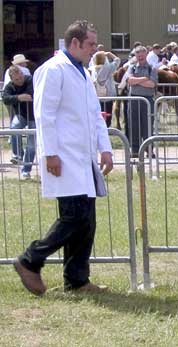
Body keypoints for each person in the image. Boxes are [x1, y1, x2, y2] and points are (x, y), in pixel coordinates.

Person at [12, 20, 114, 296]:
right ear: (75, 43)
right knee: (73, 218)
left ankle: (77, 279)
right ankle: (29, 260)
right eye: (91, 44)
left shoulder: (82, 72)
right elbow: (44, 114)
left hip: (84, 157)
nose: (95, 48)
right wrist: (50, 154)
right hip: (64, 156)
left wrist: (105, 148)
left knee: (87, 221)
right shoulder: (53, 70)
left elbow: (95, 114)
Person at [122, 45, 158, 157]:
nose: (140, 57)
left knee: (147, 125)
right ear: (135, 56)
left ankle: (149, 149)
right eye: (138, 55)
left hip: (147, 100)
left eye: (142, 55)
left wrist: (137, 81)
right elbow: (130, 81)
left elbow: (152, 84)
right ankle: (135, 150)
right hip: (133, 99)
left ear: (146, 55)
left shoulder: (151, 68)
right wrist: (144, 79)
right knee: (134, 125)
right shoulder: (131, 67)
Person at [2, 65, 36, 179]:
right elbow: (5, 98)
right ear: (12, 79)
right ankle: (18, 155)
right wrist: (18, 98)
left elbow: (31, 93)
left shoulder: (30, 80)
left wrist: (21, 97)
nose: (20, 80)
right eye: (17, 80)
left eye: (21, 77)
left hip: (34, 116)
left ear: (23, 74)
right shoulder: (9, 86)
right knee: (14, 128)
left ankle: (26, 171)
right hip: (21, 115)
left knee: (31, 145)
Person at [89, 51, 121, 125]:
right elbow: (117, 60)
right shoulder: (108, 68)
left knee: (98, 116)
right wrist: (109, 54)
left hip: (97, 96)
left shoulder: (93, 69)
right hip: (108, 95)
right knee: (107, 116)